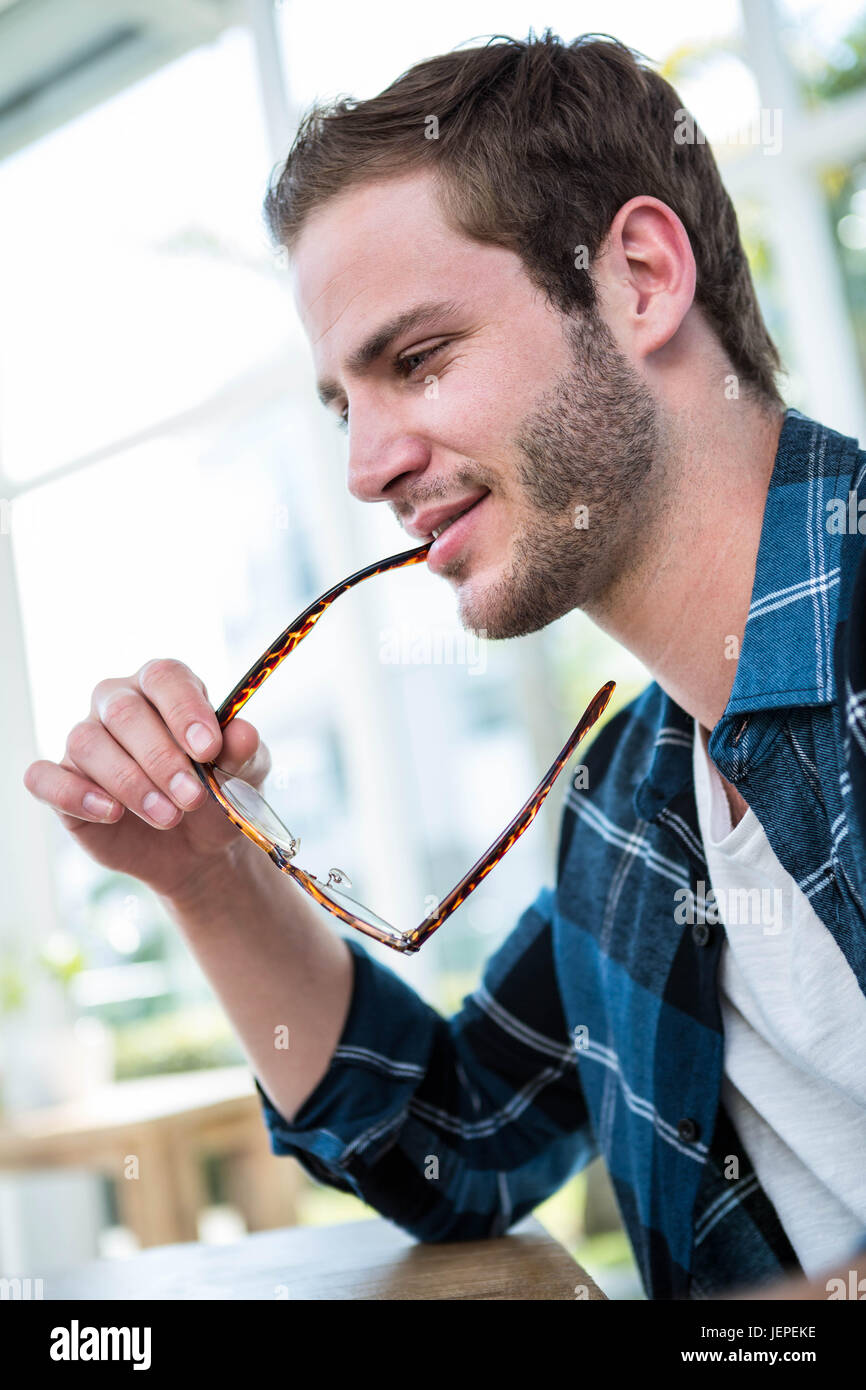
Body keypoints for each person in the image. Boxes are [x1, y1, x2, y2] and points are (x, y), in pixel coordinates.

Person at [23, 33, 866, 1300]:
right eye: (343, 405)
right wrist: (205, 877)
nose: (365, 466)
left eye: (416, 360)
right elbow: (456, 1144)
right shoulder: (631, 800)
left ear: (638, 279)